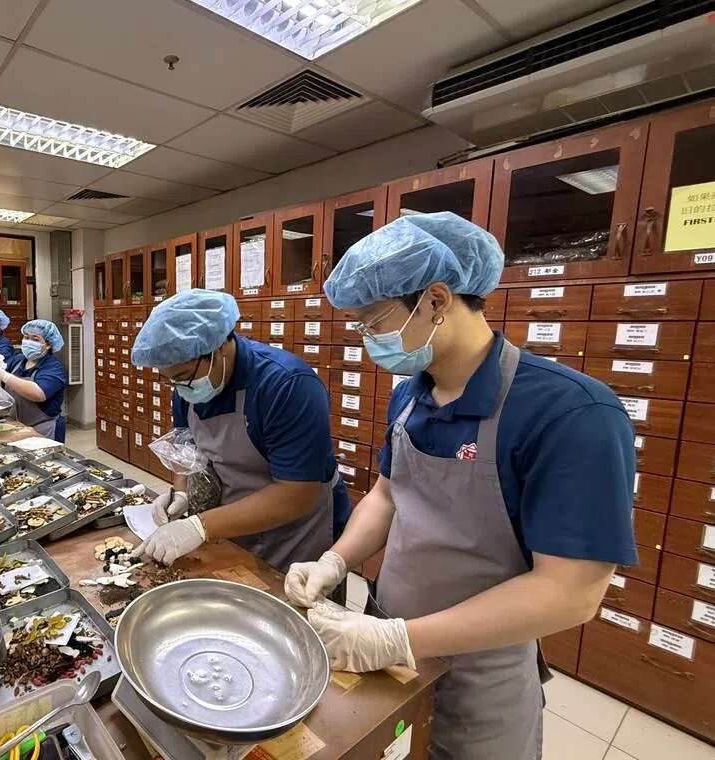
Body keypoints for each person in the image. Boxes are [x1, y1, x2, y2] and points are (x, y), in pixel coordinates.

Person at [286, 212, 637, 760]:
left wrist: (399, 638)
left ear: (436, 300)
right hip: (388, 643)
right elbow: (388, 493)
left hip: (480, 674)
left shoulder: (570, 413)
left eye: (371, 322)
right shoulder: (411, 394)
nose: (365, 340)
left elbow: (571, 591)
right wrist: (335, 560)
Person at [129, 289, 348, 573]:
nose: (180, 388)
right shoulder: (186, 386)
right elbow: (187, 449)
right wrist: (180, 494)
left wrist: (199, 526)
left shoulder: (288, 385)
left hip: (298, 531)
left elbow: (297, 494)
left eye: (183, 377)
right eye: (171, 381)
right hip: (233, 518)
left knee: (291, 606)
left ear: (219, 346)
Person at [0, 319, 68, 442]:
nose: (28, 342)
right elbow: (1, 378)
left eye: (35, 339)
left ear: (48, 344)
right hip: (18, 426)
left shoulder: (53, 368)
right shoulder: (18, 360)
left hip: (43, 430)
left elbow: (38, 394)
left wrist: (5, 376)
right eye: (26, 337)